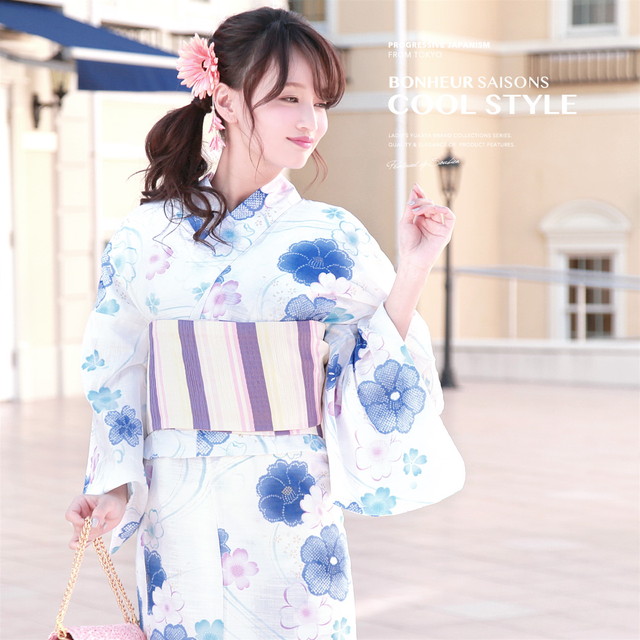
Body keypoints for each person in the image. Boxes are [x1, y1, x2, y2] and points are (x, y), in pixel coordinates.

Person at [65, 6, 465, 639]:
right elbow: (118, 370)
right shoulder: (144, 237)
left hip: (291, 502)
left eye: (320, 102)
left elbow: (377, 361)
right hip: (178, 504)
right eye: (288, 98)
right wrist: (113, 487)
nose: (311, 122)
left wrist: (415, 265)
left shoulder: (330, 237)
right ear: (223, 98)